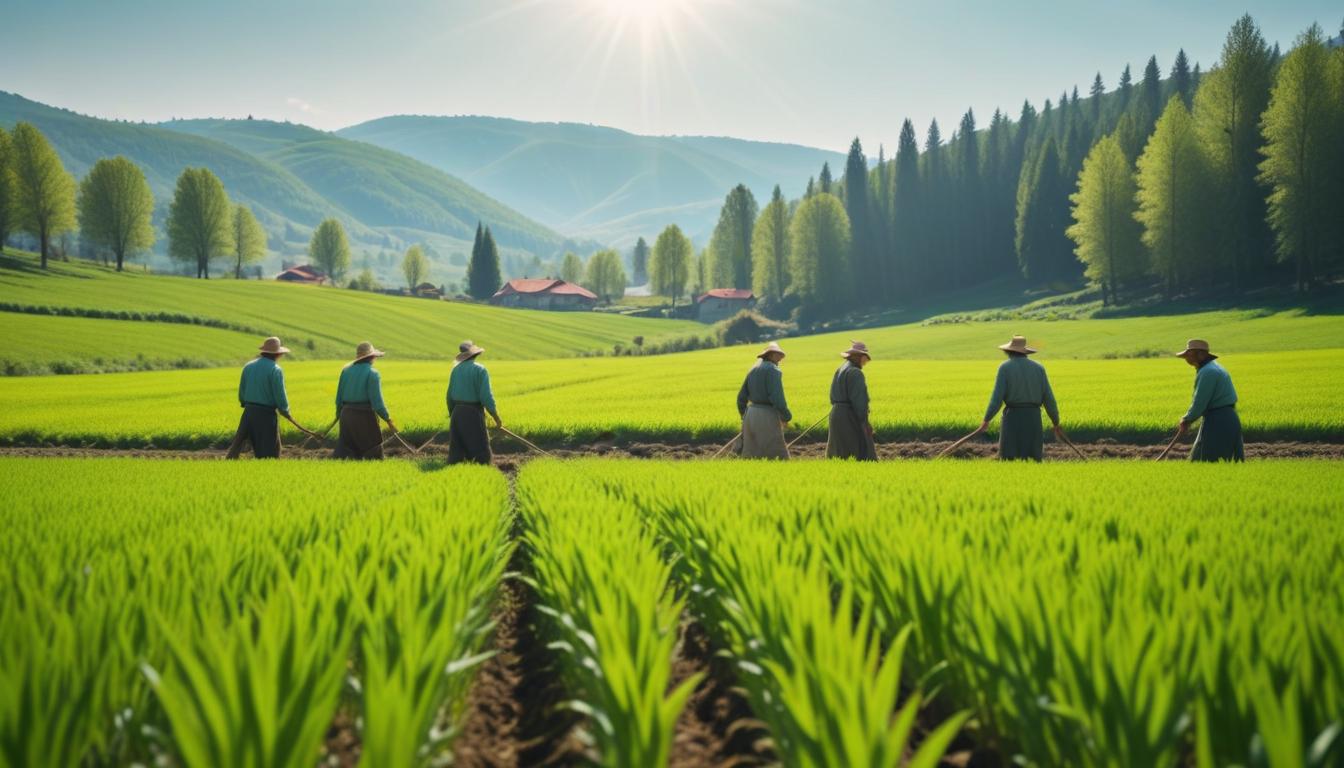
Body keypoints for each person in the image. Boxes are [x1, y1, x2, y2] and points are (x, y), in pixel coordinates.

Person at [981, 335, 1062, 462]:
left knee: (1008, 459)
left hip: (1013, 418)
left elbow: (996, 399)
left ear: (1008, 351)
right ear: (1025, 352)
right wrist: (1055, 421)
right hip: (1033, 419)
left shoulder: (1005, 368)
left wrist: (986, 420)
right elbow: (1049, 399)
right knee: (1033, 459)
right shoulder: (1039, 368)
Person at [1175, 339, 1244, 462]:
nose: (1187, 359)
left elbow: (1200, 402)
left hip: (1219, 421)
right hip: (1224, 419)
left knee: (1207, 461)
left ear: (1200, 355)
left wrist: (1186, 419)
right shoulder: (1212, 368)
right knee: (1208, 460)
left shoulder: (1208, 372)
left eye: (1190, 355)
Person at [228, 336, 293, 459]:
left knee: (235, 449)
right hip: (266, 415)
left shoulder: (248, 366)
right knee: (269, 453)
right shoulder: (275, 370)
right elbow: (280, 394)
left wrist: (245, 404)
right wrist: (285, 411)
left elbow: (242, 391)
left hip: (248, 413)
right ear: (278, 354)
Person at [333, 341, 396, 460]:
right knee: (373, 454)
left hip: (346, 417)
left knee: (347, 456)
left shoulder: (345, 371)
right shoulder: (373, 374)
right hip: (364, 417)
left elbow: (338, 399)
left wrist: (338, 414)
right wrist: (388, 419)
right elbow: (377, 403)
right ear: (372, 357)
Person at [446, 340, 501, 465]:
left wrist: (452, 414)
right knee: (480, 452)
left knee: (457, 453)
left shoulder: (455, 370)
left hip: (457, 413)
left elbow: (449, 396)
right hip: (473, 414)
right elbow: (486, 397)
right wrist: (496, 417)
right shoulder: (480, 370)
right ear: (475, 354)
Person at [736, 342, 793, 459]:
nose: (781, 358)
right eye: (778, 355)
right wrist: (786, 416)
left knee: (751, 455)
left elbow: (741, 397)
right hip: (766, 415)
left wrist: (744, 416)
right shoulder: (773, 370)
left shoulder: (753, 369)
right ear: (771, 355)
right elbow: (777, 398)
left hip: (750, 415)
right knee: (776, 455)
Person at [826, 341, 877, 461]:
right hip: (849, 416)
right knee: (860, 449)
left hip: (836, 413)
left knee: (838, 452)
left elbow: (832, 396)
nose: (866, 361)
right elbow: (860, 401)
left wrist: (839, 406)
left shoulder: (840, 369)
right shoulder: (856, 373)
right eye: (865, 358)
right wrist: (865, 422)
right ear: (858, 357)